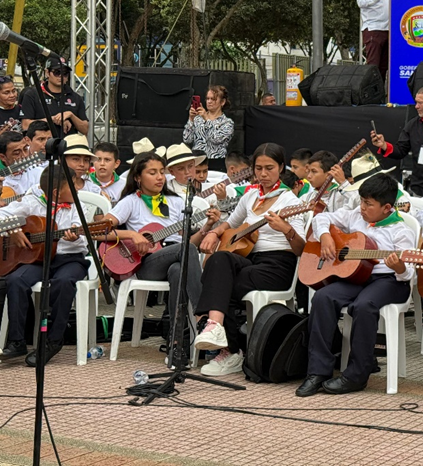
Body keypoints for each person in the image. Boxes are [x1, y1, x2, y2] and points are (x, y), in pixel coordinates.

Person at [296, 173, 415, 396]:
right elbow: (322, 219)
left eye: (368, 204)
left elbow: (408, 272)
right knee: (323, 297)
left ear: (387, 207)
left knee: (363, 306)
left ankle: (356, 376)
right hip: (357, 275)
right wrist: (325, 237)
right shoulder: (355, 216)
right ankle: (318, 371)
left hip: (389, 280)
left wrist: (398, 265)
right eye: (361, 201)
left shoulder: (401, 231)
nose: (362, 207)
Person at [194, 143, 306, 376]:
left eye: (269, 168)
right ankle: (215, 328)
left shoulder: (292, 202)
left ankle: (229, 349)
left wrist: (286, 229)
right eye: (258, 168)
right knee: (219, 260)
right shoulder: (251, 196)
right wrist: (214, 232)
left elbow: (300, 248)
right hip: (250, 257)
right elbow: (231, 224)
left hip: (278, 264)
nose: (263, 174)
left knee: (223, 282)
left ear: (281, 168)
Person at [100, 151, 216, 340]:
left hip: (177, 257)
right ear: (138, 177)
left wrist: (207, 227)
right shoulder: (130, 202)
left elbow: (189, 245)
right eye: (152, 172)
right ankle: (202, 315)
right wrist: (132, 234)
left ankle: (176, 339)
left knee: (179, 269)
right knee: (183, 252)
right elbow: (98, 231)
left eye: (162, 172)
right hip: (145, 264)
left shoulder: (177, 202)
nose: (160, 177)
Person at [0, 168, 88, 364]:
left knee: (63, 282)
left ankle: (53, 340)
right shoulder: (33, 202)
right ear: (56, 193)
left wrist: (74, 235)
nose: (77, 189)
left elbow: (80, 232)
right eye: (73, 186)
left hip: (70, 259)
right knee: (16, 279)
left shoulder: (76, 206)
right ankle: (17, 341)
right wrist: (13, 229)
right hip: (39, 260)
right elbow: (2, 215)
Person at [20, 56, 88, 136]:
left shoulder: (75, 97)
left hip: (68, 145)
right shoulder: (33, 94)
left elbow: (85, 129)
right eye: (57, 72)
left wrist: (71, 115)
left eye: (65, 73)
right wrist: (53, 119)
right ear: (47, 73)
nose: (61, 76)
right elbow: (25, 125)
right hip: (43, 145)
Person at [356, 0, 392, 81]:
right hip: (373, 29)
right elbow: (361, 2)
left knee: (383, 67)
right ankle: (369, 95)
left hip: (387, 29)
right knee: (373, 66)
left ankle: (379, 95)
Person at [183, 85, 234, 172]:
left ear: (222, 102)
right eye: (207, 98)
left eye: (213, 99)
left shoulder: (227, 123)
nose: (209, 102)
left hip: (216, 162)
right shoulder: (198, 119)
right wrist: (191, 119)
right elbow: (187, 139)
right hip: (197, 161)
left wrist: (207, 119)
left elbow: (215, 139)